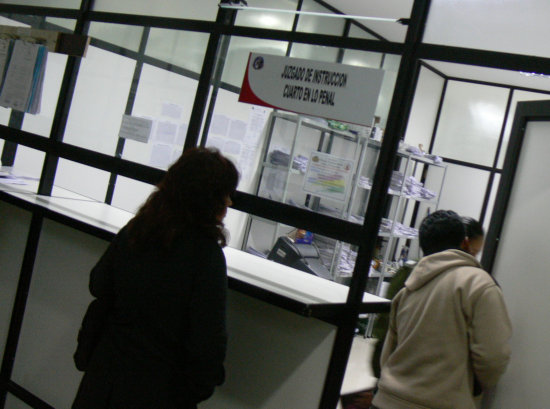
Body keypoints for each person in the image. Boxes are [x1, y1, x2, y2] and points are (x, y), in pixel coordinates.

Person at [72, 147, 239, 409]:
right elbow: (208, 340)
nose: (229, 202)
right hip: (159, 389)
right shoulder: (205, 255)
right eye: (225, 194)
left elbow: (99, 282)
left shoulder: (137, 230)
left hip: (105, 376)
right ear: (209, 199)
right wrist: (196, 390)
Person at [372, 210, 512, 409]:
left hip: (388, 400)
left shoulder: (408, 287)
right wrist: (473, 387)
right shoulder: (479, 285)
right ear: (464, 243)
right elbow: (493, 356)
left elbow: (388, 351)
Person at [371, 215, 486, 379]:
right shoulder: (413, 274)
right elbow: (386, 325)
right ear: (463, 243)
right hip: (409, 371)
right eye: (472, 252)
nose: (473, 258)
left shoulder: (413, 271)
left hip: (399, 371)